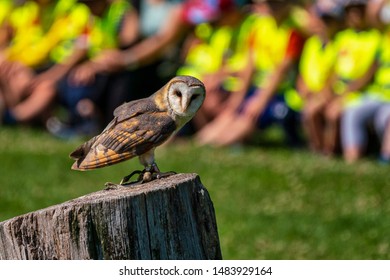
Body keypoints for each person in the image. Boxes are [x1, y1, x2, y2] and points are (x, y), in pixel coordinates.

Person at [196, 0, 306, 147]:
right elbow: (250, 66)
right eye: (269, 3)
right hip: (256, 88)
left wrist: (260, 100)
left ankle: (218, 145)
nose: (272, 7)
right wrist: (237, 100)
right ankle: (201, 143)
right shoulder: (260, 26)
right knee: (226, 117)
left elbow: (281, 72)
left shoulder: (293, 31)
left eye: (277, 3)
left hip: (278, 93)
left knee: (245, 121)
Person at [335, 0, 382, 162]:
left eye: (359, 11)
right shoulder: (342, 37)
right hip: (344, 90)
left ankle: (352, 157)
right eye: (352, 12)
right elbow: (333, 70)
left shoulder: (376, 37)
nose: (355, 16)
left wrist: (345, 93)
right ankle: (327, 153)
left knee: (351, 111)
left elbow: (369, 73)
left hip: (365, 93)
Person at [296, 0, 343, 153]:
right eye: (322, 19)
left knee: (314, 111)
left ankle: (326, 150)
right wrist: (304, 90)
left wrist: (320, 94)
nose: (324, 24)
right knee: (309, 109)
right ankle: (317, 147)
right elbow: (303, 74)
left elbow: (336, 77)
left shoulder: (340, 44)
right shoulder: (312, 44)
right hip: (312, 93)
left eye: (329, 20)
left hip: (331, 93)